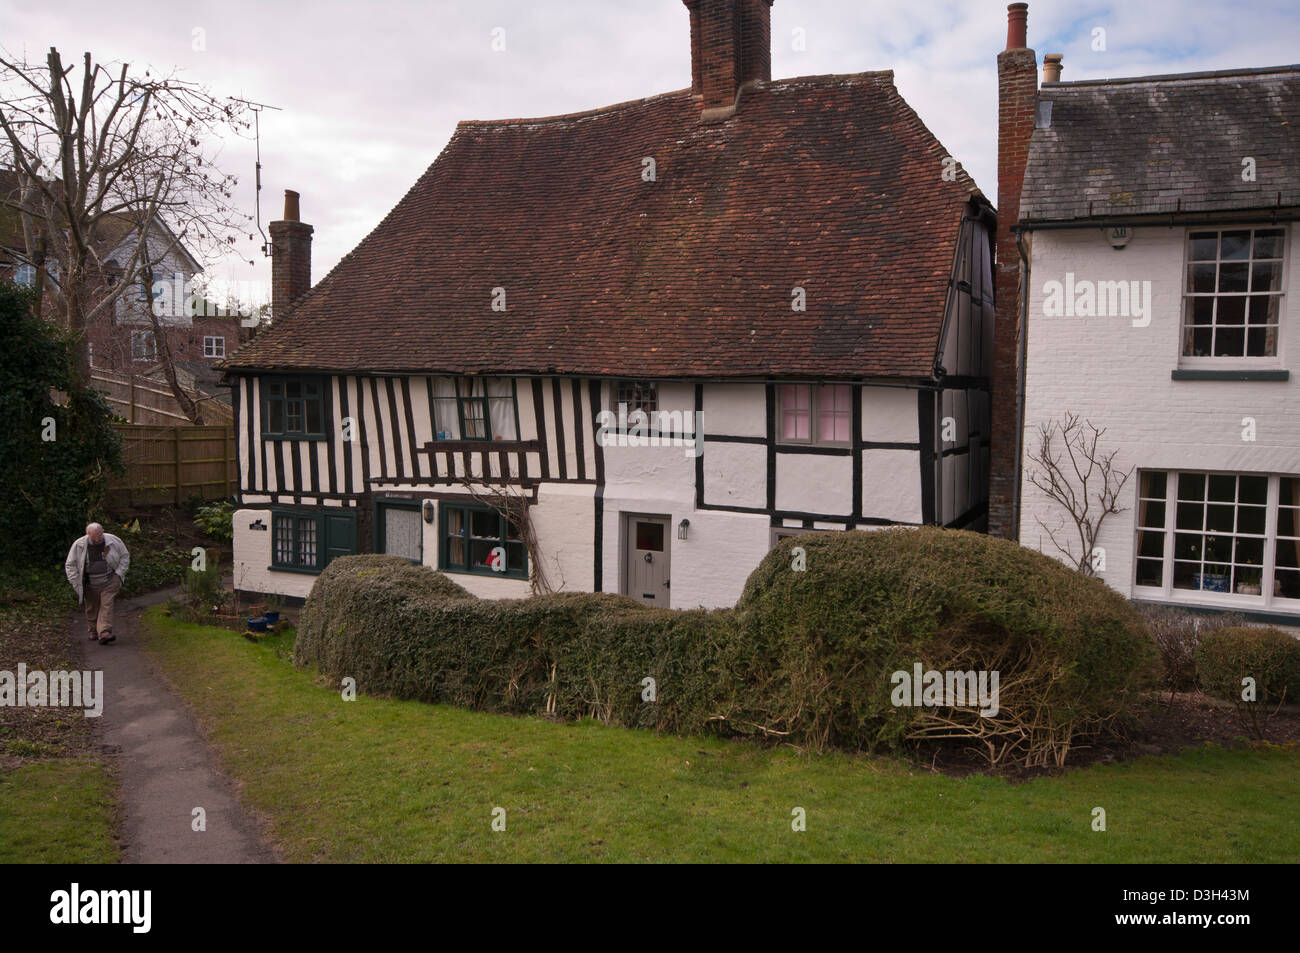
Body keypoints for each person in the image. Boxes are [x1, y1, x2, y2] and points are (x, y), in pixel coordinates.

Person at [65, 522, 130, 645]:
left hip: (110, 580)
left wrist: (119, 574)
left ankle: (105, 632)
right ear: (87, 535)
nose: (98, 539)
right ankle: (93, 630)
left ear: (103, 531)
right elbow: (70, 565)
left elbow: (125, 556)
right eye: (94, 537)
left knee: (107, 605)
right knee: (92, 607)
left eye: (100, 535)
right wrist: (75, 581)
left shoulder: (113, 541)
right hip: (89, 583)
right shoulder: (79, 545)